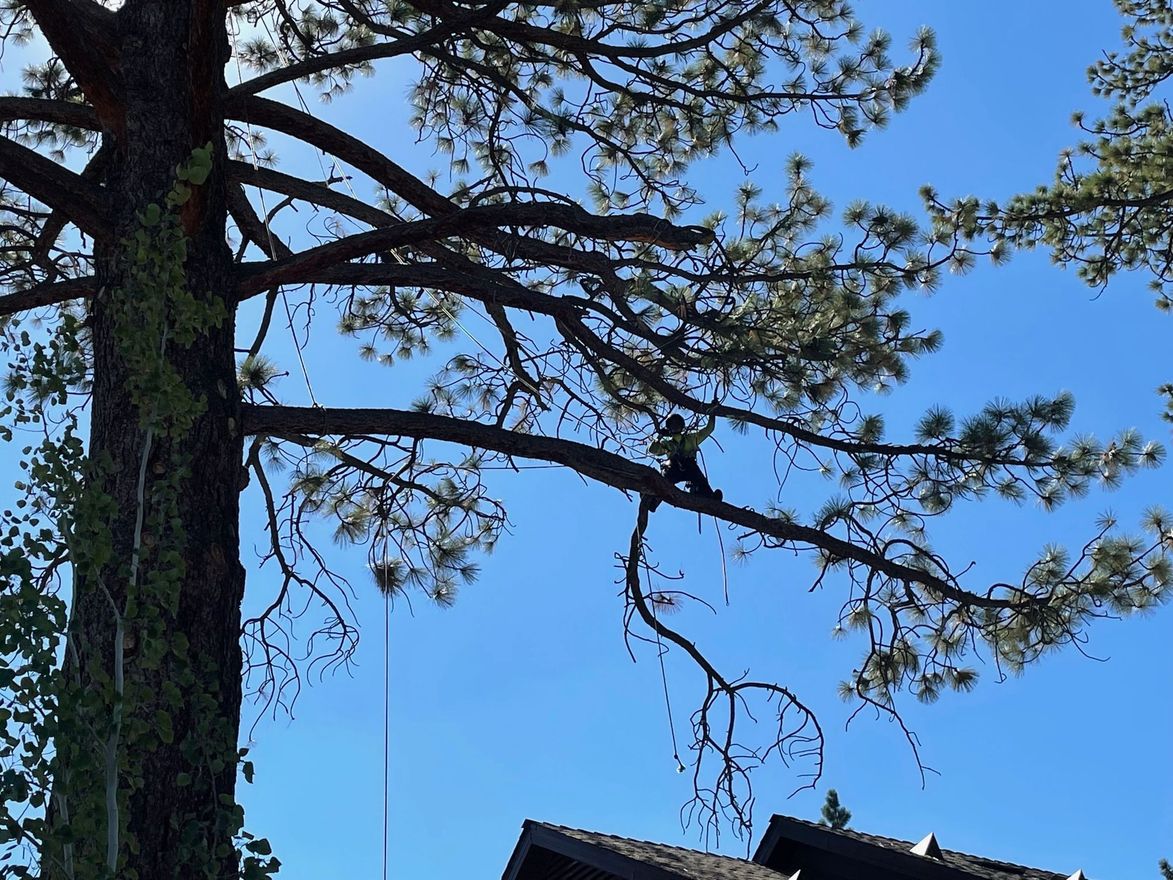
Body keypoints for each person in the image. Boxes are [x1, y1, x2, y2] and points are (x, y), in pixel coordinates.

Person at [646, 410, 722, 512]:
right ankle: (654, 501)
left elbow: (709, 429)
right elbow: (652, 450)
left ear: (682, 426)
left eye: (677, 424)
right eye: (672, 425)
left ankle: (710, 498)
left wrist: (712, 412)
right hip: (673, 468)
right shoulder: (667, 443)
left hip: (689, 467)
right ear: (669, 428)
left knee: (699, 478)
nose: (675, 426)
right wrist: (659, 436)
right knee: (665, 479)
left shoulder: (691, 438)